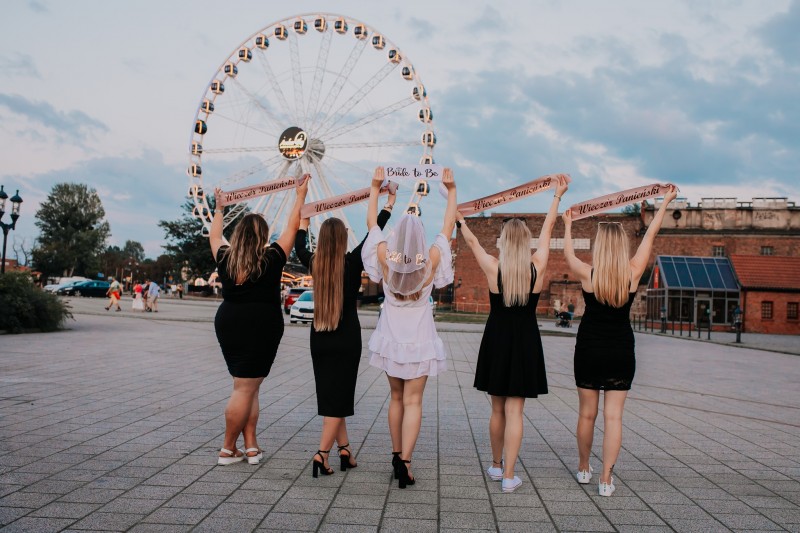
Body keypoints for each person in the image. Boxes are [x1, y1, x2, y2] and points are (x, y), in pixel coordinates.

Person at [562, 185, 678, 496]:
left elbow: (568, 255)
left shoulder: (588, 274)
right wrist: (664, 202)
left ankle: (583, 468)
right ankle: (606, 479)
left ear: (600, 247)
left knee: (587, 414)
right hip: (620, 349)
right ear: (622, 246)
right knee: (614, 417)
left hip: (589, 348)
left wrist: (568, 225)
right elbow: (651, 234)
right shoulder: (633, 272)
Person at [457, 175, 569, 493]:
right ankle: (509, 475)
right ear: (526, 242)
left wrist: (458, 218)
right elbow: (548, 229)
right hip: (525, 340)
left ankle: (496, 465)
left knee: (497, 408)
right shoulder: (537, 266)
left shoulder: (494, 267)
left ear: (504, 241)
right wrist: (557, 196)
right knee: (515, 411)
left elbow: (472, 243)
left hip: (497, 339)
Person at [362, 167, 457, 489]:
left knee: (396, 398)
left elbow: (372, 225)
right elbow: (448, 225)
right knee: (414, 402)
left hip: (391, 339)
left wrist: (375, 187)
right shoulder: (430, 260)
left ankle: (395, 452)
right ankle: (405, 462)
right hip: (420, 341)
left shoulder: (384, 258)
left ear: (397, 237)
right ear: (419, 238)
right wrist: (451, 190)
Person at [294, 187, 396, 478]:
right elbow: (374, 230)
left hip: (319, 337)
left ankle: (344, 450)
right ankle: (321, 454)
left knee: (332, 396)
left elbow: (300, 244)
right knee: (338, 399)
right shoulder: (352, 262)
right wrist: (389, 202)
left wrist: (304, 218)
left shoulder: (313, 262)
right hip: (346, 338)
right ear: (341, 240)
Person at [210, 176, 309, 466]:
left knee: (249, 385)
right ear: (263, 236)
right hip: (262, 323)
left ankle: (251, 446)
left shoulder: (225, 258)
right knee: (244, 387)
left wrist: (219, 209)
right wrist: (300, 195)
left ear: (238, 235)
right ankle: (227, 448)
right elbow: (292, 226)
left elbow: (214, 237)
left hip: (229, 320)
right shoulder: (273, 257)